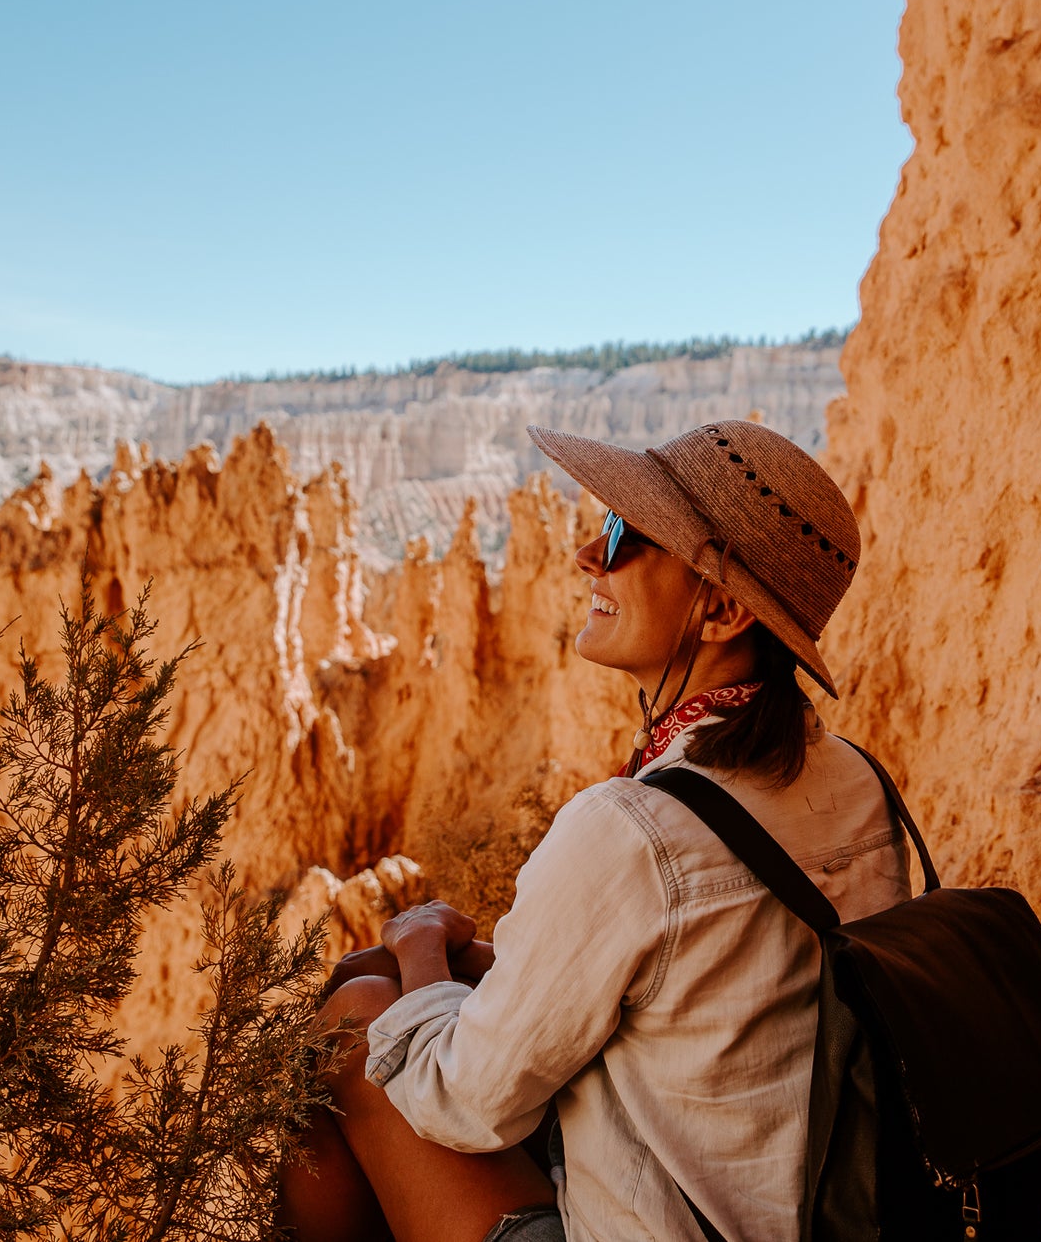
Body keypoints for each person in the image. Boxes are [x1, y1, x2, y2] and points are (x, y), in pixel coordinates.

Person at [279, 421, 911, 1242]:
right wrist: (474, 966)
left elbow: (465, 1101)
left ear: (722, 608)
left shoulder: (633, 829)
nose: (588, 554)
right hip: (814, 1209)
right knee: (379, 988)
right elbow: (709, 981)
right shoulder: (856, 776)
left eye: (623, 535)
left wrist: (421, 943)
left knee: (355, 1022)